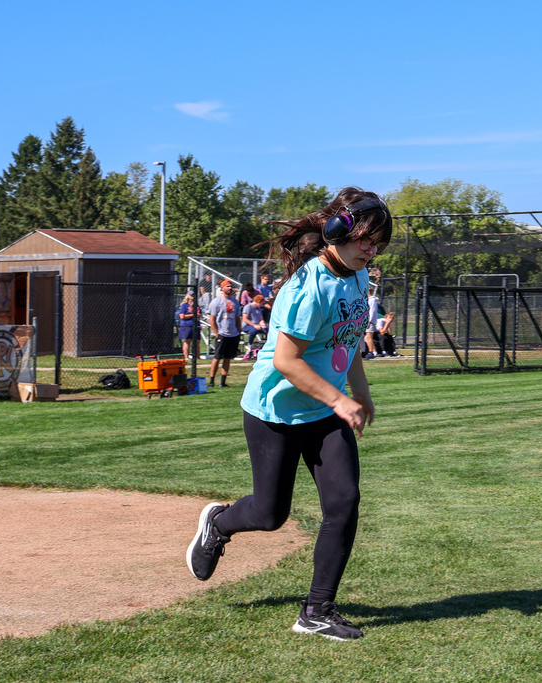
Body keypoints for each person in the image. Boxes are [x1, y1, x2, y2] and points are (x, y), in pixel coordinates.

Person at [187, 187, 392, 642]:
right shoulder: (307, 287)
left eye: (378, 242)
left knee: (344, 503)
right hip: (274, 413)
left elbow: (348, 339)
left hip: (324, 412)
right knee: (269, 513)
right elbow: (286, 360)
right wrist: (341, 400)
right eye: (366, 239)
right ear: (339, 232)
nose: (372, 250)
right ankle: (218, 524)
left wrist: (360, 393)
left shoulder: (358, 278)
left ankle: (317, 611)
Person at [207, 279, 242, 388]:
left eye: (230, 286)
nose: (229, 288)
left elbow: (237, 318)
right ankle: (212, 381)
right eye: (227, 286)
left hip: (233, 334)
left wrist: (239, 331)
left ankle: (223, 382)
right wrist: (216, 332)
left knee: (228, 358)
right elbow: (211, 318)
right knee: (217, 357)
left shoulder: (235, 302)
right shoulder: (216, 302)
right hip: (222, 333)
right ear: (222, 288)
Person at [177, 293, 198, 363]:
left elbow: (200, 314)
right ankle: (186, 357)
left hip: (196, 325)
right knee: (187, 340)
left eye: (194, 295)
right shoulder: (184, 305)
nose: (193, 297)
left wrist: (198, 314)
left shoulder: (196, 305)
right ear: (188, 296)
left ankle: (197, 357)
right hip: (187, 325)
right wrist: (193, 315)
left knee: (197, 341)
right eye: (191, 295)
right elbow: (182, 316)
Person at [363, 290, 379, 359]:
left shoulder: (372, 300)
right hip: (368, 321)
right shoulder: (368, 300)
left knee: (368, 337)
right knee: (367, 337)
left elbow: (371, 311)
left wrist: (368, 321)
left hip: (370, 321)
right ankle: (374, 352)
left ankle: (371, 352)